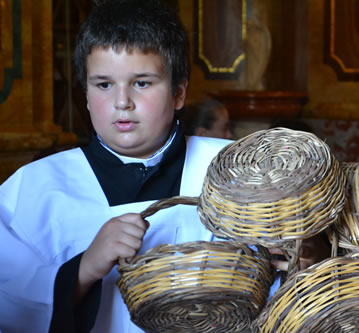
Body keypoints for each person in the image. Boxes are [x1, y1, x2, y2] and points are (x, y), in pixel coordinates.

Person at [0, 1, 328, 332]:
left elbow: (300, 286)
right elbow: (8, 303)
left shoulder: (239, 170)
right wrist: (82, 270)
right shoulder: (36, 188)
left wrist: (303, 257)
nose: (122, 102)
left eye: (142, 83)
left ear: (179, 93)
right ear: (84, 95)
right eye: (103, 84)